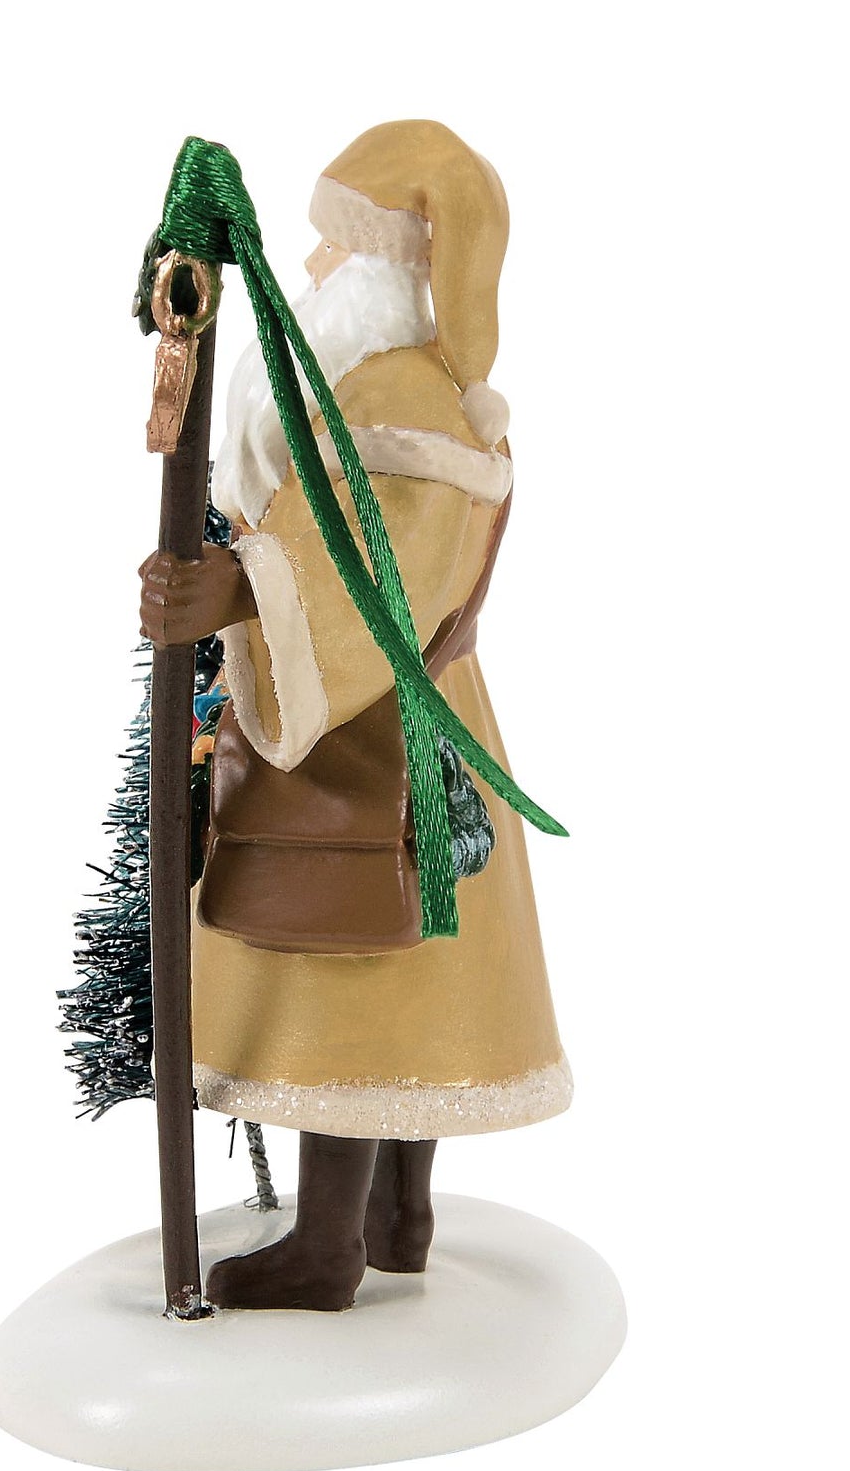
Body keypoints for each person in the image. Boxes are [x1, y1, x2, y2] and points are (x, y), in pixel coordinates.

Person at [138, 120, 569, 1311]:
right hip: (417, 714)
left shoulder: (397, 405)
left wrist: (236, 590)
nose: (317, 269)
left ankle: (327, 1247)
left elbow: (375, 572)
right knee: (415, 974)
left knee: (354, 983)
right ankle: (396, 1215)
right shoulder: (412, 393)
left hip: (364, 728)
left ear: (390, 265)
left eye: (338, 247)